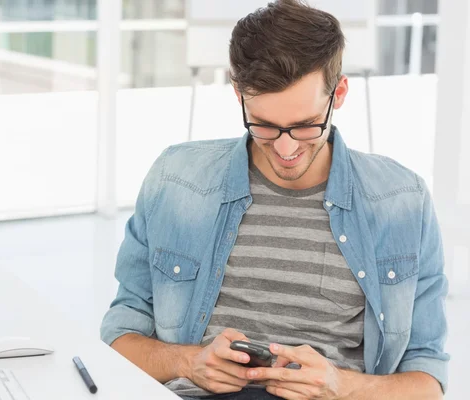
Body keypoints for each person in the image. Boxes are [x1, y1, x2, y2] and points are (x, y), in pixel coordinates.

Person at [100, 1, 449, 399]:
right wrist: (187, 363)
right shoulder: (175, 179)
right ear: (239, 95)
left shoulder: (403, 201)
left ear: (340, 94)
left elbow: (427, 382)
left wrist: (339, 385)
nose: (285, 149)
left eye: (305, 126)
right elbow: (118, 340)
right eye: (264, 125)